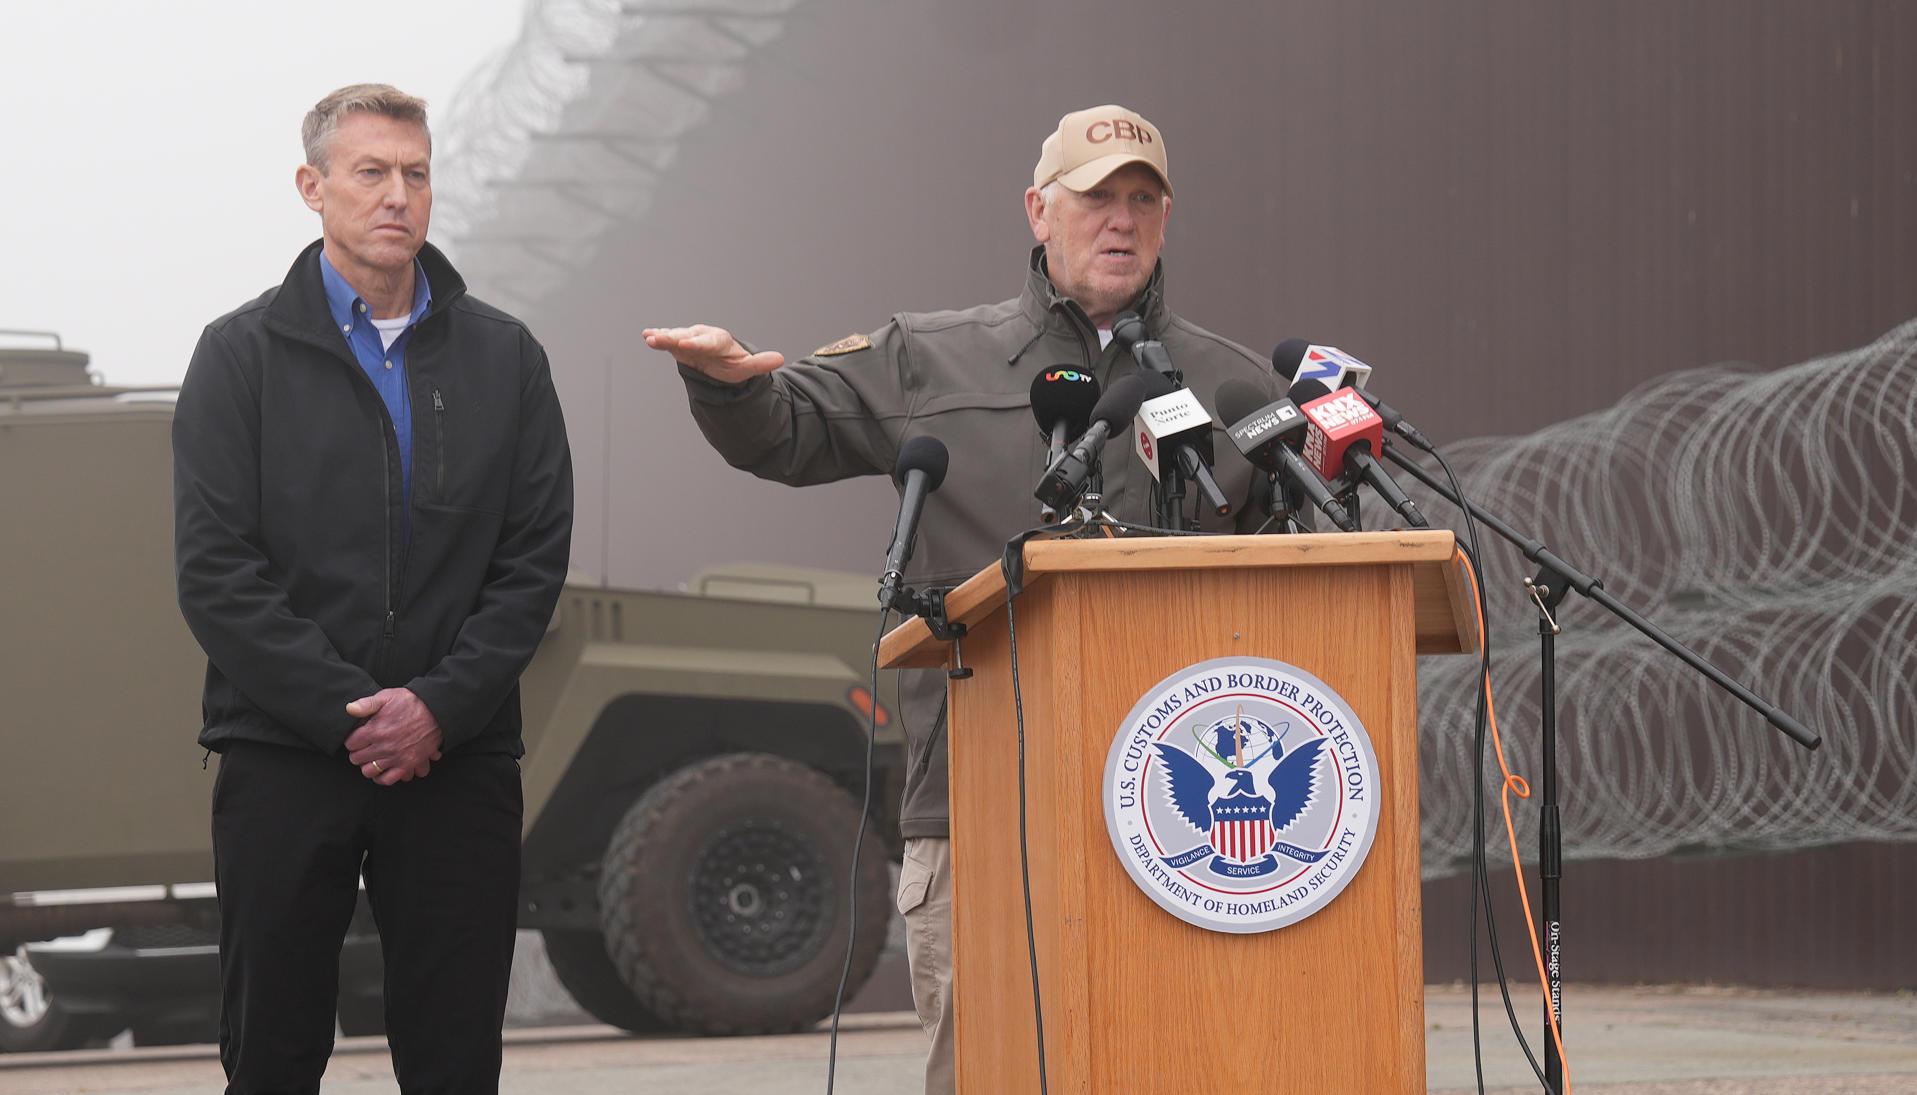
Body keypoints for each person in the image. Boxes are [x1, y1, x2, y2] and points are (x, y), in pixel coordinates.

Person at [644, 104, 1270, 1094]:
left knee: (1183, 1062)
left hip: (1186, 805)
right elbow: (790, 428)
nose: (1122, 220)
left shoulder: (1231, 386)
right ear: (1038, 211)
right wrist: (729, 389)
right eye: (1097, 197)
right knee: (992, 1070)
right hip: (980, 797)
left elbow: (1298, 568)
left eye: (1143, 200)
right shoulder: (930, 360)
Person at [172, 83, 573, 1094]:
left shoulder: (505, 359)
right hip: (283, 754)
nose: (398, 195)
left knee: (453, 1057)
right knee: (270, 1050)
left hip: (458, 757)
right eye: (371, 173)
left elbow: (532, 562)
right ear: (312, 188)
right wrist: (350, 713)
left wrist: (437, 707)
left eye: (416, 174)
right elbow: (216, 571)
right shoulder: (239, 356)